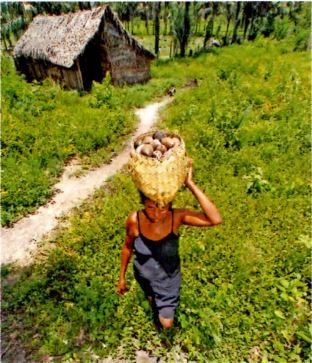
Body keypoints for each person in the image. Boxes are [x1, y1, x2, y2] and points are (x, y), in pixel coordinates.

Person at [117, 160, 222, 329]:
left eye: (163, 208)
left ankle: (163, 314)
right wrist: (122, 277)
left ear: (171, 206)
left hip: (168, 279)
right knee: (151, 299)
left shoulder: (177, 217)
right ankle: (153, 304)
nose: (157, 214)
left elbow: (215, 219)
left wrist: (190, 184)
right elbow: (127, 247)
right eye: (151, 207)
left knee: (167, 323)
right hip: (144, 275)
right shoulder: (134, 220)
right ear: (143, 204)